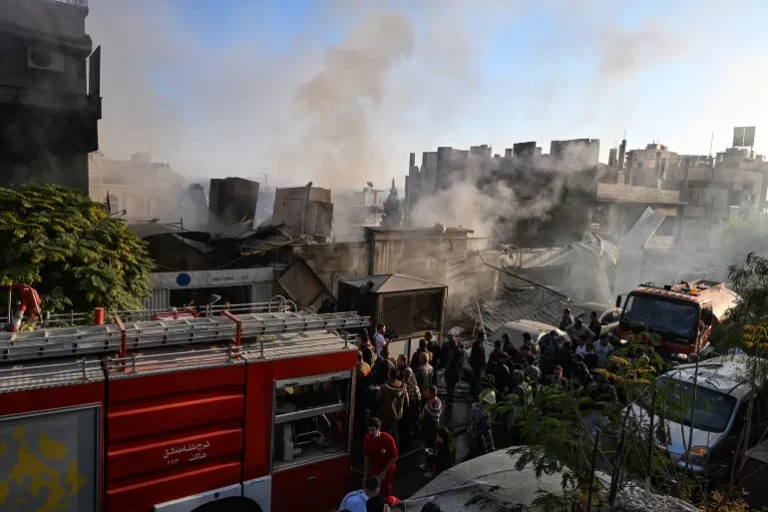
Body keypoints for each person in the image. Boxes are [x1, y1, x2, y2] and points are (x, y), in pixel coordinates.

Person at [363, 417, 399, 507]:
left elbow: (394, 457)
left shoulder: (388, 439)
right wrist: (365, 474)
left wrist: (384, 472)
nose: (371, 432)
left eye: (373, 430)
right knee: (372, 488)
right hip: (374, 468)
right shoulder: (367, 439)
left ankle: (385, 503)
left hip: (387, 468)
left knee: (385, 489)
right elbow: (367, 456)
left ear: (379, 428)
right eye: (369, 430)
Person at [376, 367, 408, 437]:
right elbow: (406, 400)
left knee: (387, 432)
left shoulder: (384, 387)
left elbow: (378, 399)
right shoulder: (403, 387)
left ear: (390, 375)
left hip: (386, 414)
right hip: (398, 413)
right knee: (394, 429)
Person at [467, 389, 495, 460]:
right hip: (478, 438)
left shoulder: (474, 406)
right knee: (481, 457)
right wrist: (491, 447)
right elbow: (487, 431)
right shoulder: (485, 414)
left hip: (470, 433)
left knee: (473, 451)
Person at [399, 367, 421, 448]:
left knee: (401, 428)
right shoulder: (415, 386)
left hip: (402, 409)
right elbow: (418, 399)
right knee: (408, 427)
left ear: (403, 374)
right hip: (411, 409)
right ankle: (408, 444)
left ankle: (402, 444)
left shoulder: (400, 384)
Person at [441, 335, 464, 406]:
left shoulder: (446, 348)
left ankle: (449, 398)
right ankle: (450, 399)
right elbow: (462, 353)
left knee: (449, 385)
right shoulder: (457, 349)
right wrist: (459, 345)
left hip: (449, 369)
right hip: (455, 370)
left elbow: (442, 354)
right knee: (452, 385)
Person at [420, 384, 442, 449]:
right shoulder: (431, 400)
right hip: (427, 427)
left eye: (427, 391)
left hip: (430, 430)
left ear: (432, 394)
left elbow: (435, 422)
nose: (425, 392)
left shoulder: (434, 407)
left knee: (429, 445)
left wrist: (423, 418)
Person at [469, 334, 486, 401]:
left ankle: (474, 393)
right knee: (475, 380)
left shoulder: (480, 344)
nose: (484, 338)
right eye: (483, 337)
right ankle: (473, 393)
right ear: (480, 337)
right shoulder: (477, 345)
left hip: (478, 366)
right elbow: (477, 356)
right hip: (476, 366)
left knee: (476, 380)